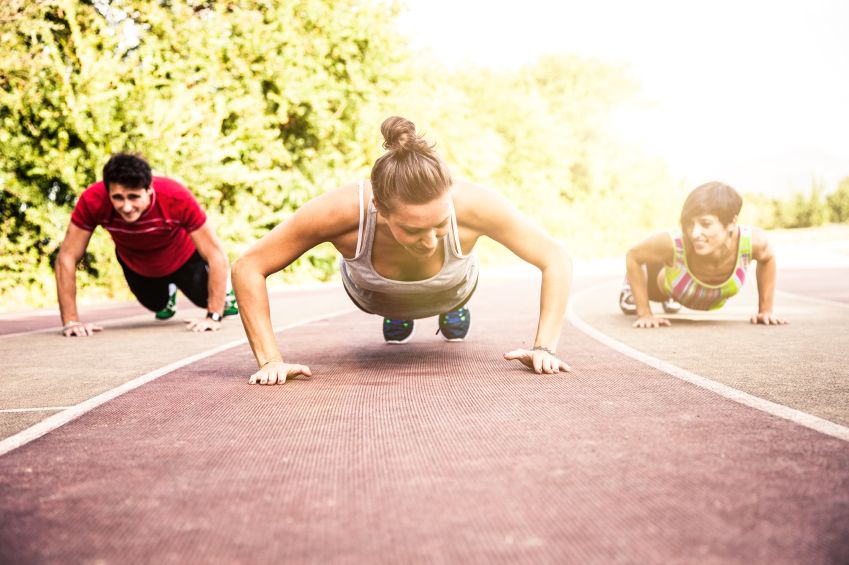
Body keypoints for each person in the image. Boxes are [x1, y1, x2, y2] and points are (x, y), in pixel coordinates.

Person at [232, 116, 573, 385]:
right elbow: (248, 266)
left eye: (439, 225)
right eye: (412, 229)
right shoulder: (341, 211)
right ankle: (399, 309)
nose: (429, 240)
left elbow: (555, 257)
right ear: (378, 206)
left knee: (448, 288)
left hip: (452, 290)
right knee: (394, 299)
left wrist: (543, 347)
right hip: (374, 295)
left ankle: (452, 310)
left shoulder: (475, 205)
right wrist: (270, 360)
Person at [55, 153, 238, 337]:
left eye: (133, 197)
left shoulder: (176, 197)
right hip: (138, 263)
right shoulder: (93, 200)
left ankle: (225, 295)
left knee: (207, 300)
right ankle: (169, 292)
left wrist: (213, 316)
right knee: (156, 306)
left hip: (182, 257)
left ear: (149, 190)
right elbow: (67, 256)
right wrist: (71, 321)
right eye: (118, 197)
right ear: (107, 191)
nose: (126, 207)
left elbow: (216, 254)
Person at [620, 181, 788, 328]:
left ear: (731, 223)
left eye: (705, 224)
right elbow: (633, 256)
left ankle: (673, 297)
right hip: (662, 285)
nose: (694, 233)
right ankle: (631, 288)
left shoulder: (754, 242)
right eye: (689, 224)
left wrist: (765, 310)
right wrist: (644, 313)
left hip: (695, 292)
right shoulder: (672, 242)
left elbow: (768, 258)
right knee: (653, 257)